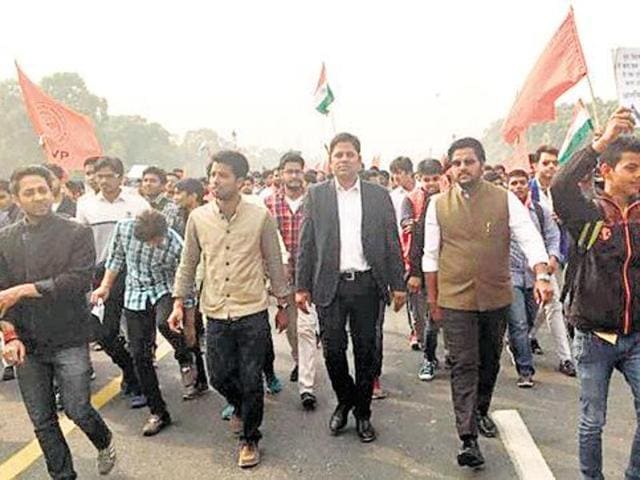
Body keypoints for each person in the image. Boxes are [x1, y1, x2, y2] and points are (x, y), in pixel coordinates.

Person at [422, 137, 552, 468]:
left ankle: (481, 409)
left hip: (496, 296)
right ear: (451, 167)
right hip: (455, 299)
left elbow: (528, 237)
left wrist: (541, 274)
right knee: (463, 363)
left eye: (469, 161)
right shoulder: (437, 204)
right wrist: (433, 300)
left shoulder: (505, 199)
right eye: (457, 162)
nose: (463, 167)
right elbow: (430, 256)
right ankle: (468, 438)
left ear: (481, 164)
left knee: (489, 361)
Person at [170, 150, 289, 468]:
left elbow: (274, 262)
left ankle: (250, 438)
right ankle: (239, 406)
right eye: (212, 175)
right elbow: (188, 263)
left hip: (251, 308)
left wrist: (283, 304)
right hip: (216, 310)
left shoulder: (260, 216)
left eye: (222, 175)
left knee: (251, 378)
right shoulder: (198, 218)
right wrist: (179, 302)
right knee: (220, 376)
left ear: (240, 181)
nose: (214, 181)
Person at [0, 165, 116, 478]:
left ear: (53, 190)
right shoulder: (5, 239)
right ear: (16, 198)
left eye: (42, 189)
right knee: (42, 421)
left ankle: (103, 440)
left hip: (69, 337)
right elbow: (2, 297)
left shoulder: (76, 232)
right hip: (27, 341)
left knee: (78, 408)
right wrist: (10, 337)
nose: (38, 197)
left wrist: (25, 289)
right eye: (29, 192)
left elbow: (78, 281)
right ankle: (63, 476)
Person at [296, 132, 406, 443]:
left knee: (366, 351)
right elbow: (307, 244)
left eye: (349, 154)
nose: (344, 159)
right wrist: (301, 286)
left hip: (368, 285)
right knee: (332, 350)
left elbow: (391, 242)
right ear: (330, 162)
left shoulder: (377, 195)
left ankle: (363, 413)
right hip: (330, 286)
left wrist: (398, 283)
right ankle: (345, 401)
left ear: (359, 159)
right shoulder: (317, 195)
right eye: (338, 155)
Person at [551, 107, 640, 480]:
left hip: (636, 336)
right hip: (594, 336)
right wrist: (600, 142)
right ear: (606, 171)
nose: (639, 175)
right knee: (592, 421)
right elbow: (559, 185)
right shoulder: (588, 213)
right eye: (631, 168)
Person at [92, 209, 202, 436]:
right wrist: (105, 286)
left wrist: (190, 324)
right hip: (135, 292)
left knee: (165, 323)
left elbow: (186, 285)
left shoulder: (176, 245)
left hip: (166, 289)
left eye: (156, 240)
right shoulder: (124, 229)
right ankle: (158, 412)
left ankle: (184, 354)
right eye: (147, 241)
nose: (152, 245)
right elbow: (116, 259)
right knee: (139, 354)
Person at [76, 156, 149, 408]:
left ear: (121, 177)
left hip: (134, 274)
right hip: (101, 277)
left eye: (109, 175)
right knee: (103, 333)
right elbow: (82, 243)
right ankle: (129, 369)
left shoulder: (137, 203)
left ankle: (141, 384)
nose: (103, 180)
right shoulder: (85, 205)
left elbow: (149, 237)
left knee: (139, 337)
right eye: (99, 176)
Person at [265, 151, 319, 410]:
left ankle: (307, 387)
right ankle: (300, 360)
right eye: (289, 171)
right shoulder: (269, 203)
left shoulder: (315, 200)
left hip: (313, 273)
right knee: (292, 327)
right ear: (281, 174)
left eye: (298, 171)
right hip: (283, 275)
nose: (294, 176)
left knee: (309, 327)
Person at [506, 169, 561, 388]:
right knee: (518, 322)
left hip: (535, 275)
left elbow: (552, 236)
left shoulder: (540, 211)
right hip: (509, 273)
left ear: (528, 186)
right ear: (507, 187)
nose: (518, 187)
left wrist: (553, 257)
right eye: (513, 183)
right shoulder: (502, 210)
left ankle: (515, 345)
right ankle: (525, 370)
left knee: (529, 320)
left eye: (522, 183)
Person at [529, 146, 576, 376]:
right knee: (553, 304)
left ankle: (526, 336)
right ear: (535, 166)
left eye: (554, 163)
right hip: (532, 259)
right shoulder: (527, 192)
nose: (550, 168)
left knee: (548, 302)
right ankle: (566, 357)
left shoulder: (559, 192)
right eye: (546, 163)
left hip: (555, 257)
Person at [403, 159, 444, 381]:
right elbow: (417, 241)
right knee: (432, 317)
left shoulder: (453, 198)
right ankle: (429, 359)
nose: (431, 183)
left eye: (435, 178)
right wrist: (416, 273)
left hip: (455, 270)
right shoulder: (418, 202)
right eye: (427, 179)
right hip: (429, 269)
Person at [141, 166, 181, 231]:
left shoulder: (169, 207)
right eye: (145, 180)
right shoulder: (138, 202)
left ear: (162, 185)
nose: (148, 184)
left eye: (153, 181)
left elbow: (164, 230)